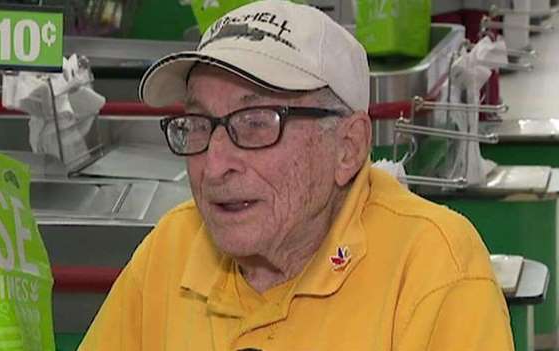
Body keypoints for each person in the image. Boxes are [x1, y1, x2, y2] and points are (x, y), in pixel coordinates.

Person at [78, 1, 514, 350]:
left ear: (347, 147)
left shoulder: (433, 269)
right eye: (198, 123)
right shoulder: (172, 247)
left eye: (255, 122)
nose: (214, 165)